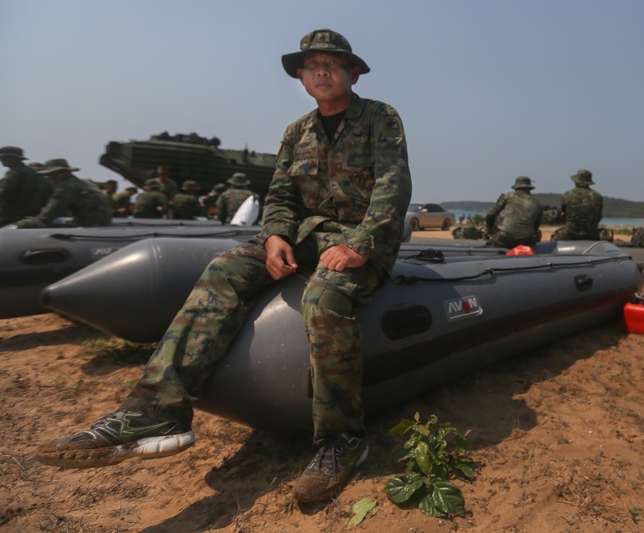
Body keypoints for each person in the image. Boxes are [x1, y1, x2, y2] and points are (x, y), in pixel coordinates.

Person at [35, 28, 411, 508]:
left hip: (361, 240)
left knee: (324, 298)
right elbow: (280, 195)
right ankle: (155, 409)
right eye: (312, 64)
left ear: (353, 72)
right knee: (223, 268)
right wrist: (274, 235)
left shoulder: (380, 117)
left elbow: (392, 184)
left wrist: (362, 245)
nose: (322, 70)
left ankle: (342, 441)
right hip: (304, 235)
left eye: (332, 63)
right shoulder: (297, 132)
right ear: (300, 75)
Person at [16, 159, 112, 228]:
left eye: (52, 174)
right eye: (48, 175)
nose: (50, 178)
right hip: (101, 223)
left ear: (65, 173)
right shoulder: (82, 184)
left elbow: (46, 218)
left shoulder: (66, 188)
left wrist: (24, 223)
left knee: (25, 224)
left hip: (89, 226)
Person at [484, 176, 542, 248]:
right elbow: (535, 227)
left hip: (505, 237)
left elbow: (490, 215)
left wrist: (489, 229)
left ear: (515, 187)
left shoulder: (508, 196)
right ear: (529, 188)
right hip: (526, 240)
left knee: (493, 243)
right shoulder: (537, 203)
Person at [0, 145, 51, 226]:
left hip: (12, 215)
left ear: (16, 159)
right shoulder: (33, 172)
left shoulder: (15, 173)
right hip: (33, 214)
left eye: (6, 157)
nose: (2, 160)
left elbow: (4, 193)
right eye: (1, 158)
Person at [553, 169, 603, 241]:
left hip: (570, 232)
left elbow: (563, 214)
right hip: (591, 233)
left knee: (554, 243)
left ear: (576, 181)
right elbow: (599, 216)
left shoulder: (567, 194)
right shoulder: (598, 196)